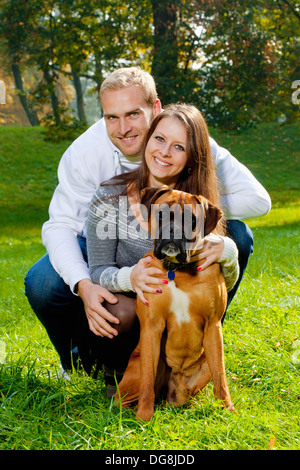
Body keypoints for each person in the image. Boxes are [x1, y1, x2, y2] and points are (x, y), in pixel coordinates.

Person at [24, 66, 271, 379]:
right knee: (43, 282)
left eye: (133, 114)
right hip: (103, 240)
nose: (123, 128)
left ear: (156, 109)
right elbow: (60, 225)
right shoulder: (86, 154)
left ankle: (193, 336)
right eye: (111, 117)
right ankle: (81, 364)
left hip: (174, 244)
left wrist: (194, 217)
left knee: (237, 235)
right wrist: (85, 285)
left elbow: (259, 200)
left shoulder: (187, 138)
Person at [84, 103, 241, 392]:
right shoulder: (110, 197)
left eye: (179, 146)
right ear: (148, 138)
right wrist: (128, 277)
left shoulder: (198, 203)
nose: (165, 152)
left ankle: (193, 344)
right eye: (159, 139)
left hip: (183, 307)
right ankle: (111, 370)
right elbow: (97, 269)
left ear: (193, 156)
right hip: (135, 305)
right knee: (120, 311)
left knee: (238, 235)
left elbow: (220, 283)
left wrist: (228, 251)